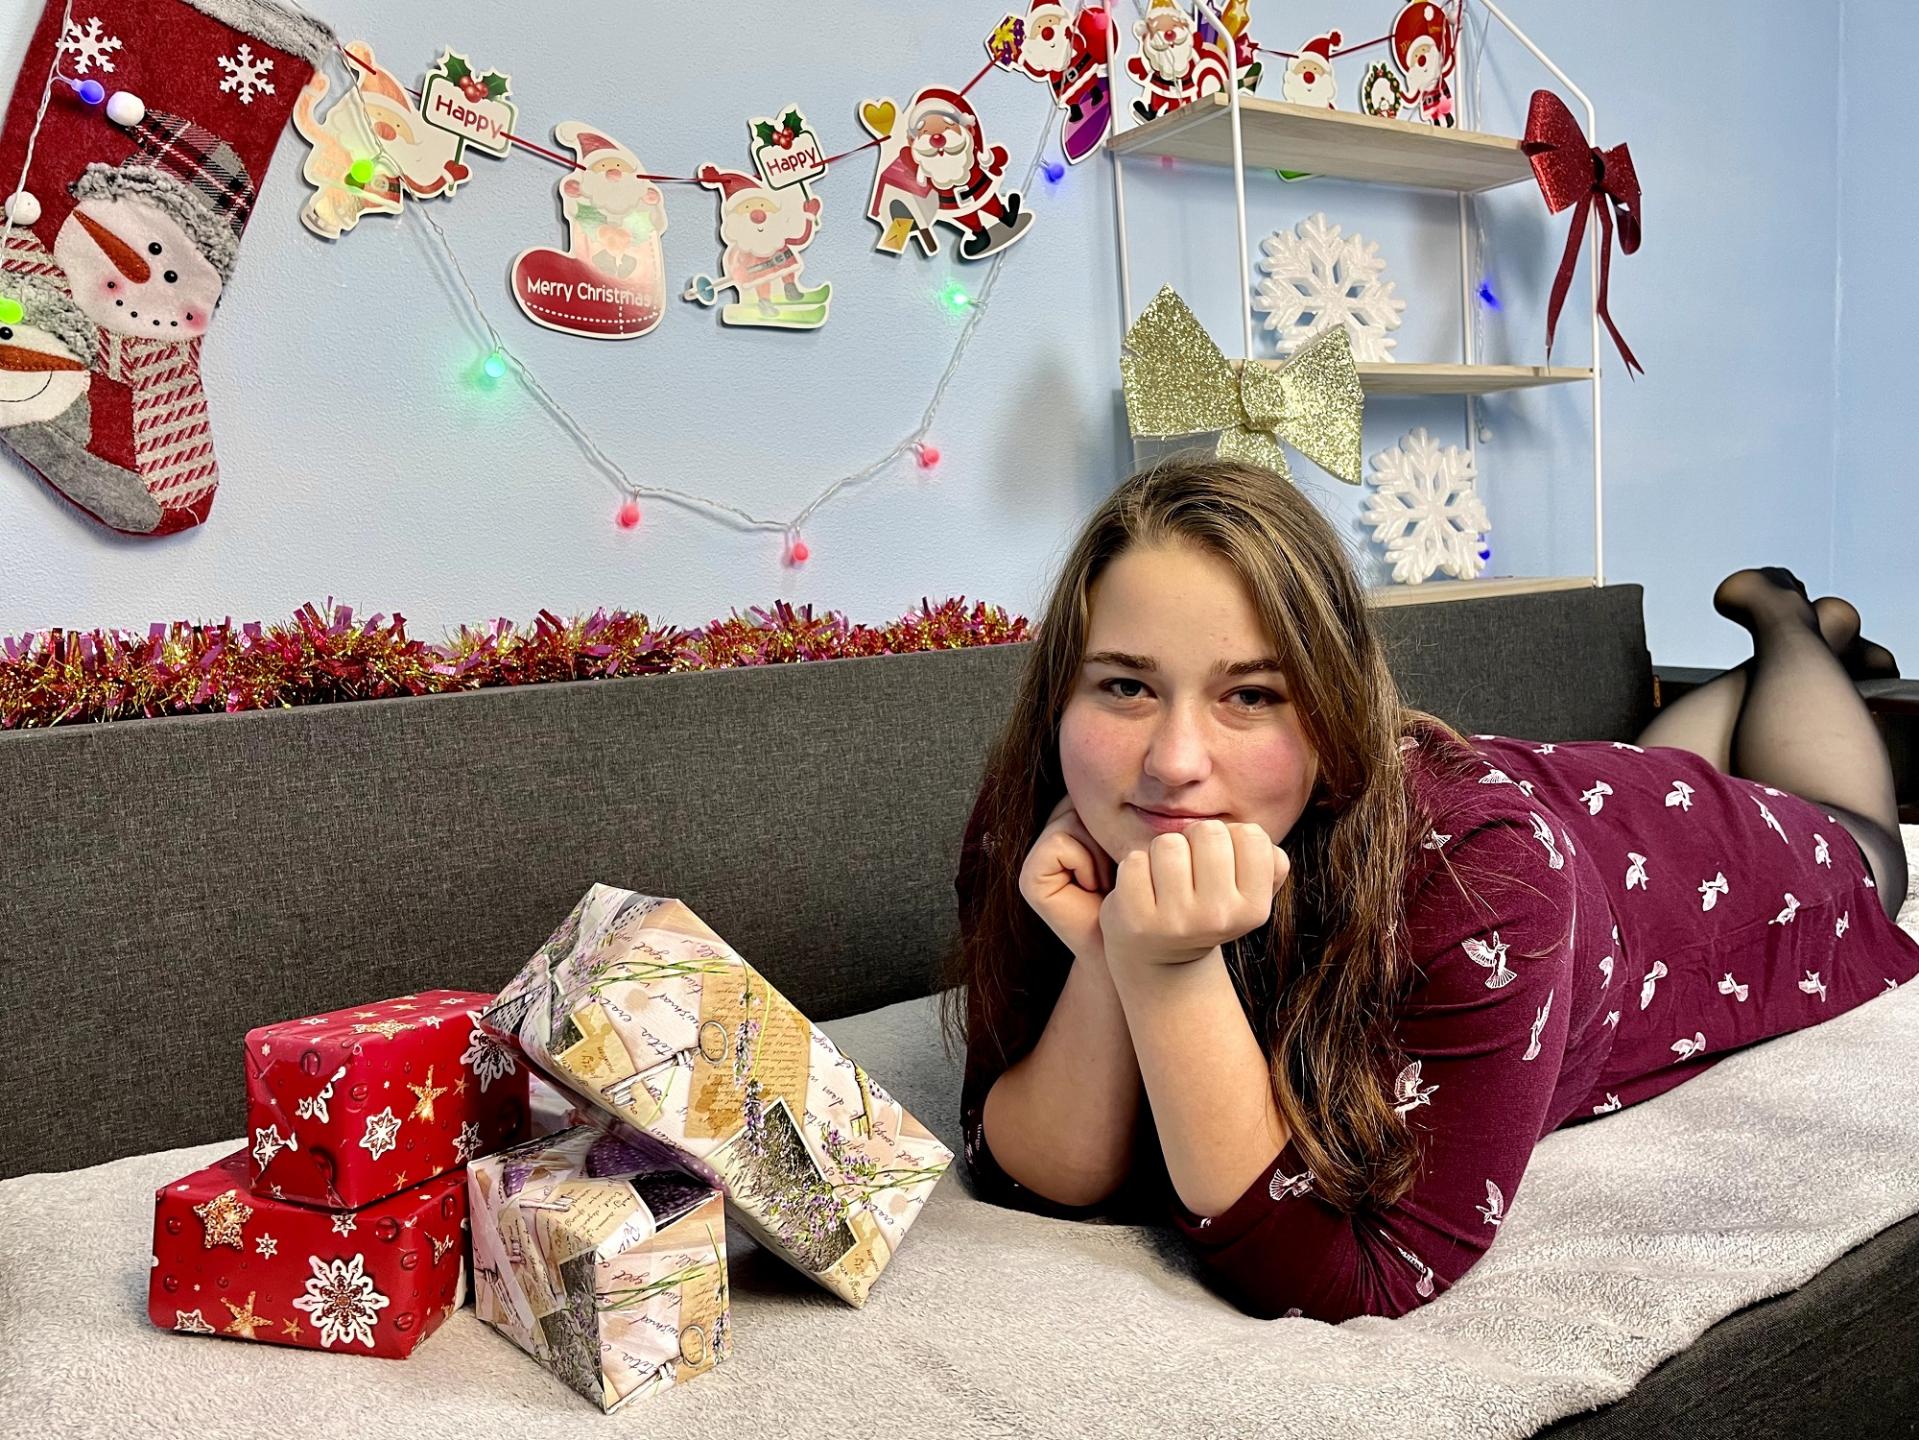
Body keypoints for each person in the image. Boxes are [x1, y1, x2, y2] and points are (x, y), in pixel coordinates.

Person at [939, 453, 1918, 1322]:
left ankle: (1788, 623)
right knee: (1648, 767)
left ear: (1334, 709)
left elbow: (1363, 1272)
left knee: (1865, 848)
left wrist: (1169, 971)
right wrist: (1111, 954)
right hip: (1553, 796)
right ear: (1061, 696)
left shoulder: (1486, 885)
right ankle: (1769, 666)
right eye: (1124, 686)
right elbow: (1024, 1166)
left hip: (1665, 867)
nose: (1171, 763)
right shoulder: (1049, 812)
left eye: (1251, 694)